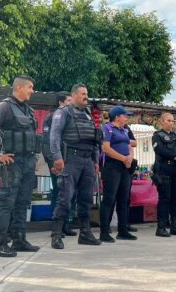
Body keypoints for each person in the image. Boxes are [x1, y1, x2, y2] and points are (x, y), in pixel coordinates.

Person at [0, 76, 41, 257]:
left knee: (23, 202)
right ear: (19, 87)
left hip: (27, 162)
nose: (32, 91)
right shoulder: (5, 106)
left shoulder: (28, 110)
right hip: (12, 163)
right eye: (30, 87)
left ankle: (19, 239)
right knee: (6, 203)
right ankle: (0, 244)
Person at [49, 84, 102, 249]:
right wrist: (57, 156)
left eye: (87, 94)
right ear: (73, 96)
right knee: (65, 199)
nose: (86, 97)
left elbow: (94, 140)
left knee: (86, 200)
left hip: (87, 161)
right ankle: (56, 235)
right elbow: (54, 135)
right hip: (70, 160)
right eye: (83, 94)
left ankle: (85, 233)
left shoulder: (87, 115)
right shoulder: (63, 112)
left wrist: (95, 161)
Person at [98, 106, 137, 242]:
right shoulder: (107, 128)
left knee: (123, 199)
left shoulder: (124, 130)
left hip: (125, 167)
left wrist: (130, 158)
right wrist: (123, 158)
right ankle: (104, 231)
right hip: (111, 167)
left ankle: (123, 230)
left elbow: (129, 146)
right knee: (109, 199)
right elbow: (105, 148)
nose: (126, 118)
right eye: (125, 116)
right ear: (117, 117)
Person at [42, 92, 77, 237]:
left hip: (70, 161)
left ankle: (66, 225)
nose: (71, 103)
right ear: (61, 103)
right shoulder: (52, 118)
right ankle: (56, 226)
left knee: (71, 194)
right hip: (58, 162)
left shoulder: (72, 117)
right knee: (59, 193)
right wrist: (52, 161)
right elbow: (46, 142)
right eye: (69, 100)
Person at [152, 113, 176, 237]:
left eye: (173, 121)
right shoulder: (157, 136)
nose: (171, 123)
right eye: (169, 120)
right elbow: (159, 150)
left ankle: (175, 226)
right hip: (164, 169)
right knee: (164, 199)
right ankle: (161, 228)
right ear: (162, 121)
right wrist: (175, 157)